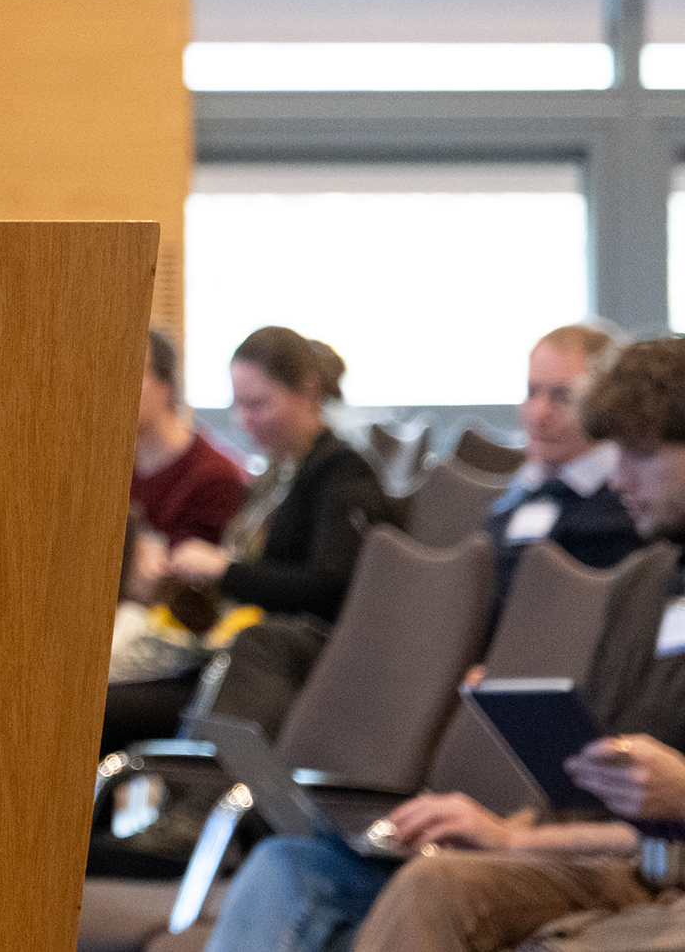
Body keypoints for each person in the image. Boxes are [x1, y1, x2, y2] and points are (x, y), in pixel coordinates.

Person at [202, 337, 685, 952]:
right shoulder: (645, 580)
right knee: (288, 866)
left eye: (642, 456)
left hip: (643, 862)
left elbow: (656, 827)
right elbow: (589, 786)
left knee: (437, 886)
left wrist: (516, 839)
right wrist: (501, 826)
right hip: (586, 844)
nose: (618, 477)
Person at [103, 326, 392, 755]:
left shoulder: (341, 473)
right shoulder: (281, 473)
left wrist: (224, 570)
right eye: (238, 406)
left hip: (286, 666)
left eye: (258, 404)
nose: (244, 420)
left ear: (308, 392)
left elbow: (330, 589)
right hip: (240, 653)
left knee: (99, 710)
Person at [483, 324, 641, 610]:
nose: (539, 413)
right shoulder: (529, 482)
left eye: (562, 397)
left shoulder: (621, 508)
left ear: (606, 405)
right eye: (532, 392)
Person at [132, 326, 250, 558]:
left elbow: (201, 572)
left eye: (135, 372)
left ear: (166, 384)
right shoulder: (109, 470)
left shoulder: (214, 476)